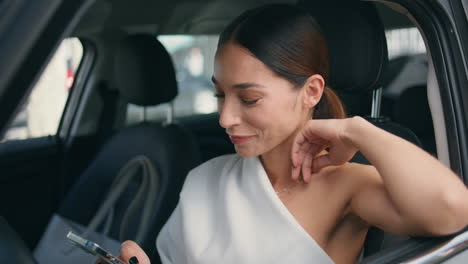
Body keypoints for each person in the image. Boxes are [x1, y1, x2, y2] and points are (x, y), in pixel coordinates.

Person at [110, 4, 468, 264]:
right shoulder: (205, 179)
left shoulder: (347, 187)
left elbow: (454, 210)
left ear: (311, 92)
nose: (225, 118)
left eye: (248, 98)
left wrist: (357, 130)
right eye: (220, 95)